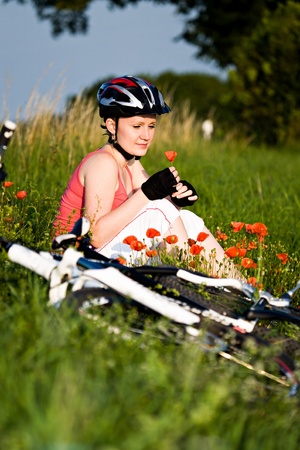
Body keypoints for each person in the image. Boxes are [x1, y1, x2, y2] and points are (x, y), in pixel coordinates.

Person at [54, 75, 233, 275]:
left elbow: (164, 211)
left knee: (187, 218)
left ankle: (243, 288)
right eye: (137, 126)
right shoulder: (102, 163)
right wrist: (149, 193)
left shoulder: (131, 163)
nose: (146, 136)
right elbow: (95, 234)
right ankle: (195, 285)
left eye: (151, 126)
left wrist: (177, 200)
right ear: (112, 126)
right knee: (159, 209)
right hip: (76, 260)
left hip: (103, 255)